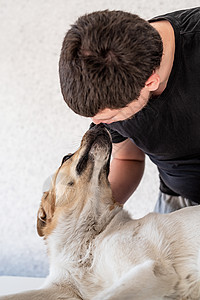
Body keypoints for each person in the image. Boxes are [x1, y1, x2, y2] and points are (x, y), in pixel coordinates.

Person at [59, 8, 200, 213]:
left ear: (151, 82)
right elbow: (128, 158)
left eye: (112, 117)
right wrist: (95, 215)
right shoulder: (112, 83)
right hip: (179, 200)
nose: (99, 125)